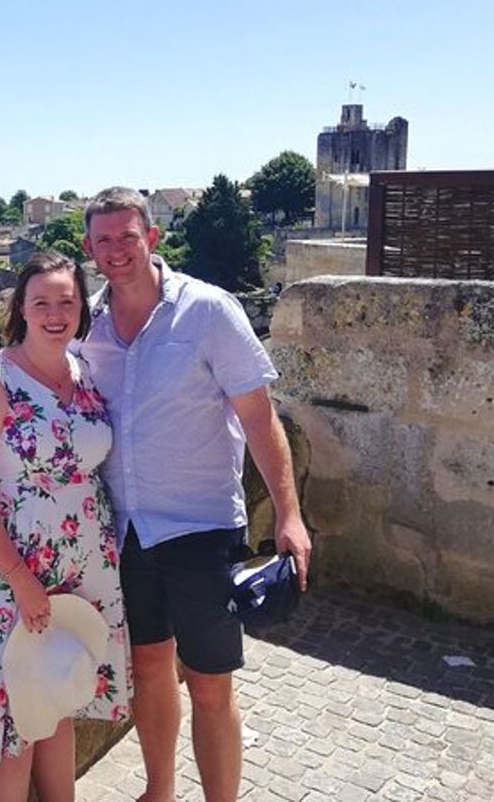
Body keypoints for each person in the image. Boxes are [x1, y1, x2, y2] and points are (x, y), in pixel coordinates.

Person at [77, 187, 312, 802]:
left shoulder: (208, 312)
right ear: (88, 248)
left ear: (152, 238)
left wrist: (290, 514)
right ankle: (159, 790)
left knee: (210, 684)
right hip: (125, 531)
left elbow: (261, 419)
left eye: (127, 237)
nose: (116, 251)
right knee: (149, 669)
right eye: (103, 240)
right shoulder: (87, 324)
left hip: (199, 527)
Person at [0, 251, 131, 801]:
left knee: (56, 700)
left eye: (66, 301)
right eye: (41, 301)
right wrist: (22, 578)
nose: (54, 312)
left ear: (80, 309)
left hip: (79, 571)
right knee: (11, 717)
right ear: (20, 308)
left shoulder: (84, 371)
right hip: (6, 576)